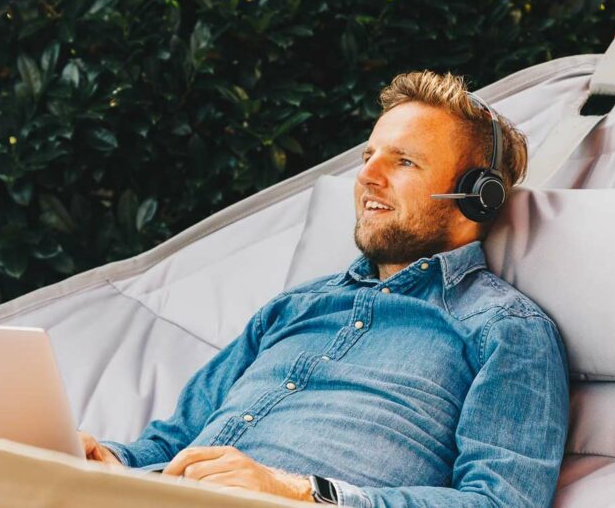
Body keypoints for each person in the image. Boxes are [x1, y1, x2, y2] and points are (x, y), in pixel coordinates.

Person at [79, 71, 569, 507]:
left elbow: (501, 500)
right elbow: (172, 441)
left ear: (477, 197)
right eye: (368, 156)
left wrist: (299, 491)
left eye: (403, 162)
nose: (367, 177)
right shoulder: (293, 308)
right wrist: (107, 458)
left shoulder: (504, 330)